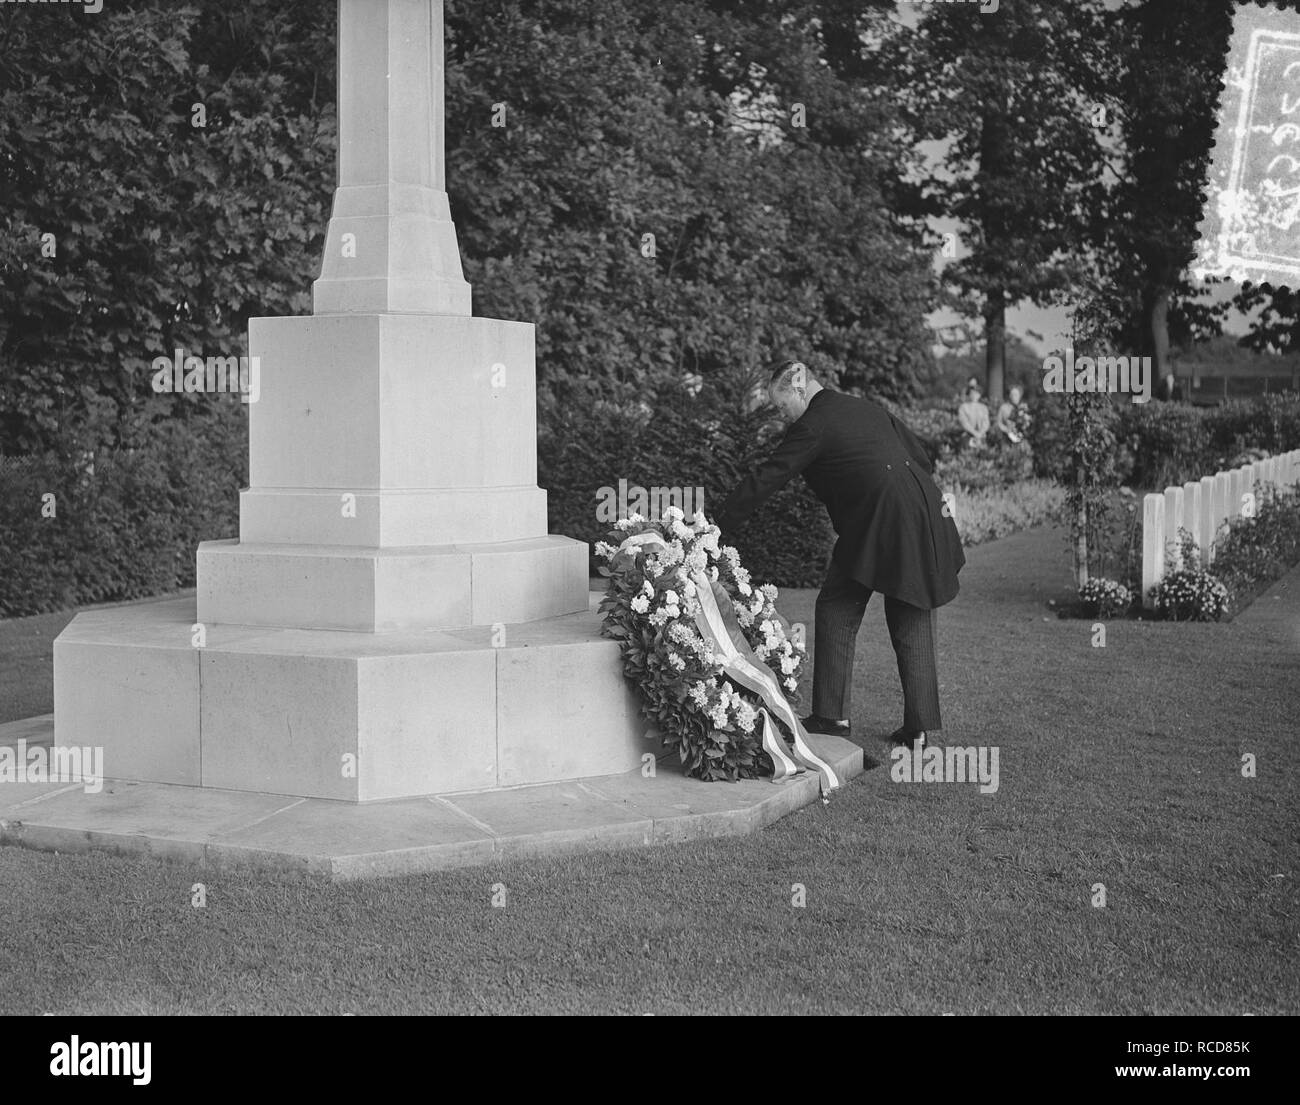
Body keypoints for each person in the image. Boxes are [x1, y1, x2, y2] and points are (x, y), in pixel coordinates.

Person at [713, 360, 965, 750]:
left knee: (836, 607)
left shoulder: (814, 423)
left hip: (881, 522)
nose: (783, 418)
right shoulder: (864, 407)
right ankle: (918, 730)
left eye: (782, 407)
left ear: (799, 388)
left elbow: (770, 476)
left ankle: (832, 718)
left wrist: (718, 523)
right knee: (911, 612)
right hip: (923, 511)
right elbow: (921, 456)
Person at [957, 381, 990, 447]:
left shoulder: (984, 408)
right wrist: (975, 433)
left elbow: (986, 423)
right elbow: (964, 423)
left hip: (981, 436)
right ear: (969, 394)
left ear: (979, 395)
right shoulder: (963, 407)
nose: (974, 395)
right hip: (967, 435)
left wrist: (980, 433)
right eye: (972, 393)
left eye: (977, 393)